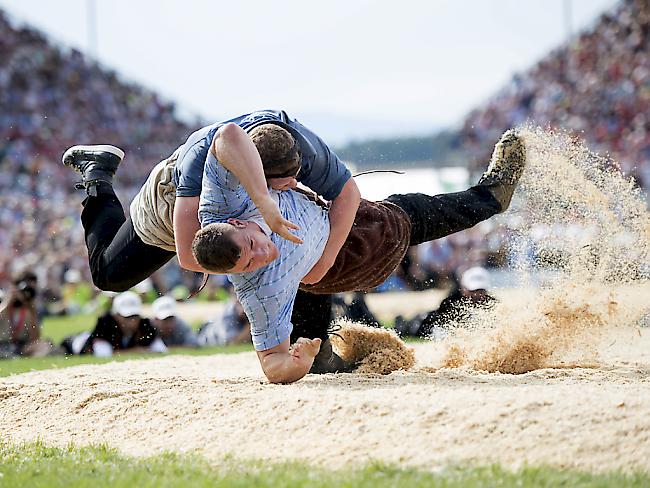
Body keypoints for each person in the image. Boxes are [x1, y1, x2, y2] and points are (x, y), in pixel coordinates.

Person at [191, 129, 526, 383]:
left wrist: (264, 199)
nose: (262, 255)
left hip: (317, 241)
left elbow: (228, 136)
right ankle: (492, 197)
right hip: (352, 255)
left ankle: (324, 358)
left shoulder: (221, 205)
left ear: (234, 222)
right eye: (249, 264)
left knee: (302, 292)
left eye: (252, 246)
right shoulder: (258, 288)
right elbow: (272, 365)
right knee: (408, 213)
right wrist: (298, 361)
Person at [61, 109, 360, 292]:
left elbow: (348, 193)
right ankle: (97, 176)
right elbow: (190, 256)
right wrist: (253, 258)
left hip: (244, 216)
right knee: (108, 276)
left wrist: (324, 259)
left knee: (291, 255)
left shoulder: (296, 145)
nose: (293, 184)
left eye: (294, 176)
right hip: (170, 207)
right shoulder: (199, 160)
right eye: (279, 184)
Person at [394, 266, 496, 338]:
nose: (476, 295)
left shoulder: (494, 306)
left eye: (480, 291)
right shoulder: (451, 302)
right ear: (463, 288)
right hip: (422, 323)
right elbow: (438, 326)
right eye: (473, 291)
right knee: (408, 329)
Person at [78, 291, 167, 357]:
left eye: (135, 316)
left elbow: (161, 350)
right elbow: (103, 355)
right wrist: (136, 351)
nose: (132, 321)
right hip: (78, 343)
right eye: (127, 317)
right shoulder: (105, 325)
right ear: (116, 316)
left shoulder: (145, 325)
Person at [0, 271, 53, 358]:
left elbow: (35, 338)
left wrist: (31, 308)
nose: (26, 293)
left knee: (45, 345)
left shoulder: (29, 309)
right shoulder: (3, 299)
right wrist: (8, 302)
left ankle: (18, 357)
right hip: (2, 345)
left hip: (21, 346)